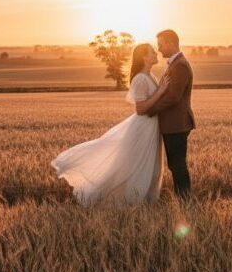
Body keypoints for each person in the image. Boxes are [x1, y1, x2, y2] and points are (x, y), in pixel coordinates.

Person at [52, 43, 169, 206]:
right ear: (144, 57)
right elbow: (141, 109)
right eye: (152, 52)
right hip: (143, 127)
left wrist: (161, 90)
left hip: (151, 127)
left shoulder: (151, 76)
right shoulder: (140, 79)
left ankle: (146, 202)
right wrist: (161, 92)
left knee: (151, 165)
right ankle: (132, 200)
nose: (156, 53)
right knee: (138, 165)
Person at [143, 29, 195, 198]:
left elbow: (173, 96)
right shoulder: (175, 64)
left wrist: (150, 109)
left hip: (176, 124)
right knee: (176, 164)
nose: (158, 49)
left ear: (170, 43)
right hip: (174, 124)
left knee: (177, 165)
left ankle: (185, 200)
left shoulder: (180, 65)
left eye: (161, 44)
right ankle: (184, 199)